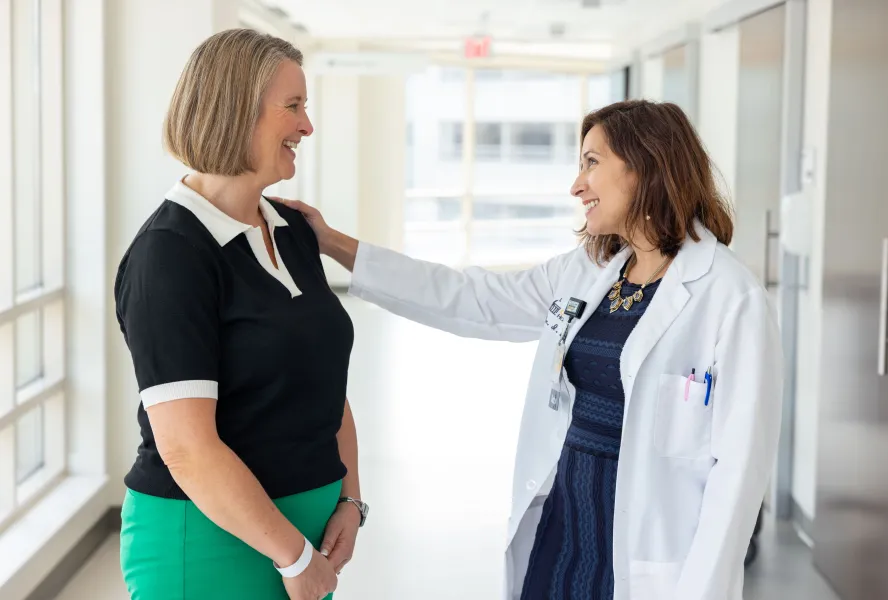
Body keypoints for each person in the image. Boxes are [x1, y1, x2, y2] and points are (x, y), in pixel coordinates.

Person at [274, 99, 783, 600]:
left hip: (651, 546)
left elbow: (737, 479)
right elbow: (469, 297)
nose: (576, 185)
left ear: (647, 164)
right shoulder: (588, 271)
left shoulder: (729, 296)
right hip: (566, 520)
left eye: (591, 162)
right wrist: (332, 242)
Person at [114, 29, 368, 600]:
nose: (307, 127)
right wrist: (294, 557)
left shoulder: (295, 232)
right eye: (294, 107)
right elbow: (185, 446)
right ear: (235, 111)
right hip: (211, 540)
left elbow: (325, 382)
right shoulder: (170, 254)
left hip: (307, 534)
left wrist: (350, 498)